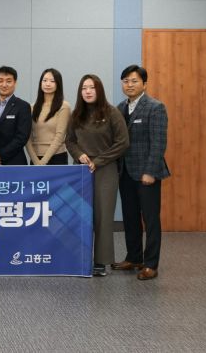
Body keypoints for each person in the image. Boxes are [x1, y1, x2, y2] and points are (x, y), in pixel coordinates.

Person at [66, 74, 129, 277]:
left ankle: (101, 261)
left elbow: (122, 143)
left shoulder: (112, 113)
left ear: (99, 90)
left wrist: (99, 160)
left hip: (105, 169)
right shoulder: (76, 115)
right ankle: (79, 257)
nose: (88, 91)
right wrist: (79, 154)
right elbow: (70, 141)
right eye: (84, 88)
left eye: (92, 87)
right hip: (81, 170)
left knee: (103, 216)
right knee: (80, 215)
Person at [112, 65, 170, 281]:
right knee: (130, 217)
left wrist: (150, 171)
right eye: (125, 81)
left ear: (144, 84)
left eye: (134, 81)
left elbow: (158, 143)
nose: (129, 85)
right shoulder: (119, 108)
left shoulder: (155, 107)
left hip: (147, 174)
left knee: (150, 219)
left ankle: (151, 264)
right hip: (125, 173)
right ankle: (134, 257)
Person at [26, 68, 71, 165]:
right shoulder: (31, 107)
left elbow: (60, 136)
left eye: (52, 81)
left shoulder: (64, 107)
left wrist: (43, 162)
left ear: (58, 84)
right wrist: (35, 160)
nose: (48, 84)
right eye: (45, 80)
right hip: (36, 159)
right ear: (40, 83)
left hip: (57, 157)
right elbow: (27, 137)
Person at [0, 66, 31, 165]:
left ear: (15, 83)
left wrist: (0, 156)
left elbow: (22, 137)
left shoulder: (23, 106)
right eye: (0, 81)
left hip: (14, 161)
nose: (4, 85)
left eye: (8, 81)